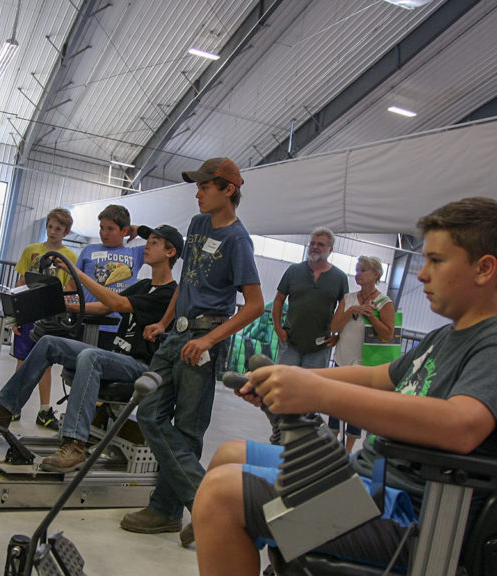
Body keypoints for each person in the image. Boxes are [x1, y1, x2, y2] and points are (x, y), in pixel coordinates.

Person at [192, 196, 497, 575]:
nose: (422, 274)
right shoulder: (443, 337)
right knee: (230, 455)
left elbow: (463, 425)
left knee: (220, 497)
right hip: (370, 480)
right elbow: (375, 377)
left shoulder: (491, 343)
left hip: (410, 514)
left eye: (436, 261)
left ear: (484, 269)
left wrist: (317, 394)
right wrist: (289, 379)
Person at [119, 157, 264, 540]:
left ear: (228, 190)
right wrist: (165, 322)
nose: (197, 194)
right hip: (177, 335)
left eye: (204, 186)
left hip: (205, 339)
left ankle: (165, 510)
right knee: (149, 412)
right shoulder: (198, 225)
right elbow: (188, 281)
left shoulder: (238, 240)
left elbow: (254, 305)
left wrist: (209, 340)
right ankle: (205, 505)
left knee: (187, 428)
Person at [0, 224, 183, 472]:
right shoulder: (143, 286)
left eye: (154, 242)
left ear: (170, 252)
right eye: (148, 240)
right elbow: (103, 307)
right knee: (49, 342)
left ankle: (75, 444)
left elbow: (116, 303)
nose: (147, 245)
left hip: (139, 366)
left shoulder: (168, 295)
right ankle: (3, 409)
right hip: (117, 357)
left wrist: (77, 273)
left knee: (91, 356)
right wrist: (61, 305)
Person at [9, 207, 77, 430]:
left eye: (58, 228)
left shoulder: (70, 257)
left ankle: (44, 409)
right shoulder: (31, 251)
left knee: (45, 363)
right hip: (29, 313)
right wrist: (16, 315)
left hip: (50, 317)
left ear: (66, 232)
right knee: (22, 360)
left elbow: (71, 286)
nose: (53, 232)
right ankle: (13, 405)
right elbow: (21, 282)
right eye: (50, 227)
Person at [329, 255, 396, 452]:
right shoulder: (348, 299)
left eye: (363, 271)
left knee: (356, 408)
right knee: (336, 404)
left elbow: (388, 335)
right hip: (342, 358)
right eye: (357, 271)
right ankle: (331, 446)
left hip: (365, 364)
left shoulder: (384, 302)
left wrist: (371, 317)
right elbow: (334, 326)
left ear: (376, 274)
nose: (358, 274)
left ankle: (348, 450)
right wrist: (352, 310)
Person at [272, 227, 349, 369]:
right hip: (290, 342)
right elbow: (278, 300)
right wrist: (277, 328)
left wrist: (338, 335)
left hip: (320, 346)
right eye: (312, 243)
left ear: (330, 250)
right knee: (285, 381)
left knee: (311, 383)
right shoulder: (293, 271)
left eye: (320, 244)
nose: (314, 247)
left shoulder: (340, 278)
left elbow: (344, 307)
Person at [75, 204, 146, 351]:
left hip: (117, 326)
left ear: (124, 231)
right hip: (86, 321)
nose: (104, 233)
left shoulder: (136, 253)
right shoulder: (89, 250)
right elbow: (72, 284)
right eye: (101, 228)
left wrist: (138, 229)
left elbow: (163, 239)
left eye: (110, 229)